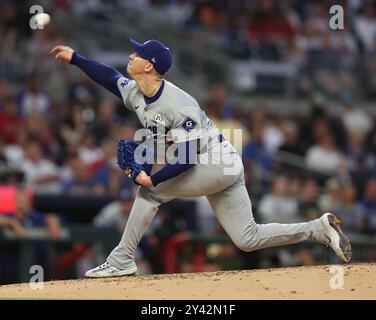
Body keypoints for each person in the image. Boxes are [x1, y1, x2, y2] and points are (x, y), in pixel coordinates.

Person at [50, 39, 351, 278]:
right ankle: (317, 228)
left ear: (149, 67)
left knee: (150, 193)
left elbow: (188, 158)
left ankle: (122, 260)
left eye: (138, 53)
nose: (131, 55)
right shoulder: (138, 92)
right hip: (221, 164)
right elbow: (109, 77)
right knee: (247, 237)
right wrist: (76, 58)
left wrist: (152, 178)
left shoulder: (178, 105)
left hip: (215, 161)